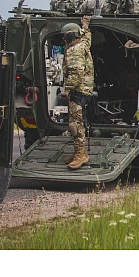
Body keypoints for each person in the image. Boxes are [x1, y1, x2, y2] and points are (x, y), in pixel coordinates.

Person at [62, 16, 94, 169]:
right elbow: (87, 37)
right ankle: (78, 153)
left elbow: (75, 73)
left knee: (75, 124)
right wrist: (85, 25)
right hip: (84, 90)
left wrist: (67, 91)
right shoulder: (83, 44)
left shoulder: (74, 50)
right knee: (78, 122)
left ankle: (80, 154)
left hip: (77, 91)